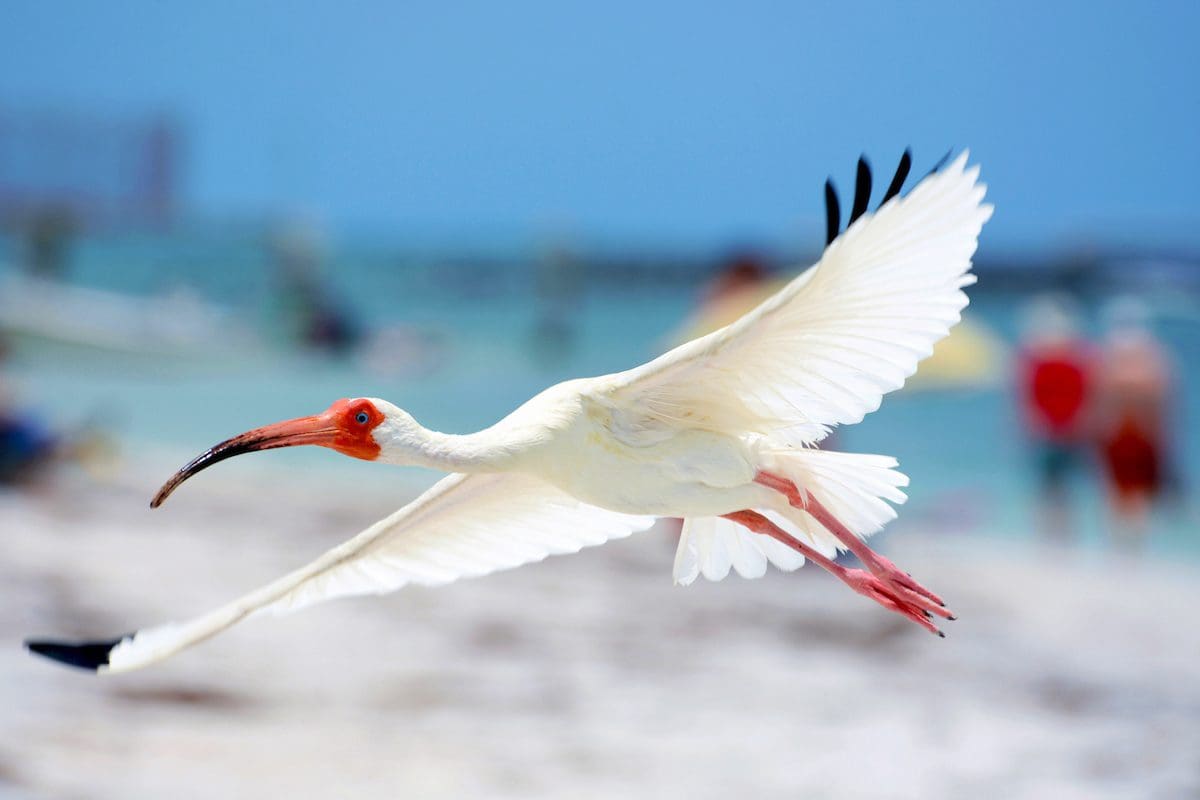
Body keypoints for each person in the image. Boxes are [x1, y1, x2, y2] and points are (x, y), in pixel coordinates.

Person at [1092, 298, 1175, 546]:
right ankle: (1124, 546)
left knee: (1134, 492)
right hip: (1125, 434)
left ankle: (1130, 546)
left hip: (1136, 434)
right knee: (1121, 492)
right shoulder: (1150, 361)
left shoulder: (1121, 361)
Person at [1016, 296, 1094, 542]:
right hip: (1059, 429)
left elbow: (1027, 395)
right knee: (1056, 484)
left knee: (1052, 484)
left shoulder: (1040, 359)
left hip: (1060, 430)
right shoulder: (1074, 358)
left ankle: (1053, 535)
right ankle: (1056, 535)